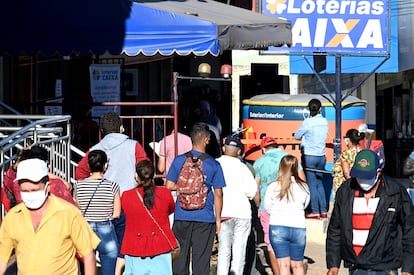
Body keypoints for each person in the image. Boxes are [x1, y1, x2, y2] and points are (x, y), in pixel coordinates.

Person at [75, 111, 148, 274]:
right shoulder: (133, 146)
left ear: (102, 130)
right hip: (129, 201)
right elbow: (145, 169)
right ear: (121, 128)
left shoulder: (95, 149)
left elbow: (79, 173)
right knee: (125, 245)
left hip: (101, 206)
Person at [0, 158, 100, 275]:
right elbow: (2, 259)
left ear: (47, 186)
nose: (30, 195)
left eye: (34, 190)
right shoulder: (13, 217)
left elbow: (88, 256)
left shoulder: (69, 214)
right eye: (25, 191)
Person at [326, 149, 414, 275]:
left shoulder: (395, 193)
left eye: (366, 177)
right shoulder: (345, 191)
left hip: (385, 267)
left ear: (378, 172)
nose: (362, 180)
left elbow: (409, 230)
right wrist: (333, 264)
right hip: (356, 266)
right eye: (359, 176)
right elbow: (335, 229)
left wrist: (408, 267)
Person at [165, 122, 225, 275]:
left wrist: (185, 186)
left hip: (181, 216)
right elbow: (218, 194)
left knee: (179, 259)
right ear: (207, 139)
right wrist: (218, 219)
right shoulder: (213, 164)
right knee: (201, 261)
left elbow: (168, 185)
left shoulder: (179, 161)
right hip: (205, 219)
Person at [253, 136, 305, 275]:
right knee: (297, 263)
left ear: (263, 149)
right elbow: (303, 180)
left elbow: (256, 188)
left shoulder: (259, 162)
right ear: (277, 147)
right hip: (295, 214)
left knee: (270, 244)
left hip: (269, 209)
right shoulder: (290, 158)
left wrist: (258, 206)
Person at [121, 160, 176, 275]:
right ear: (153, 175)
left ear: (136, 176)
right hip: (161, 245)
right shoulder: (165, 193)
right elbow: (170, 210)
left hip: (134, 246)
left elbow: (125, 212)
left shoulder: (127, 196)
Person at [74, 150, 121, 275]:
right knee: (109, 270)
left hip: (86, 229)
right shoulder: (113, 186)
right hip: (106, 228)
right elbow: (116, 213)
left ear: (89, 166)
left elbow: (78, 209)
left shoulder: (79, 185)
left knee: (88, 268)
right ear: (105, 165)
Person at [216, 135, 257, 275]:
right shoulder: (243, 168)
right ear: (239, 152)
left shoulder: (215, 164)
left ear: (223, 148)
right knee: (239, 253)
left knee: (223, 251)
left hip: (222, 213)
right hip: (242, 214)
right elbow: (252, 192)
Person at [264, 155, 310, 275]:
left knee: (283, 265)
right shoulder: (304, 187)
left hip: (278, 225)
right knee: (298, 265)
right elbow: (305, 205)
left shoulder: (272, 186)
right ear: (296, 168)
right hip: (298, 226)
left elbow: (267, 207)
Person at [2, 145, 75, 211]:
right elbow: (68, 187)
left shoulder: (17, 183)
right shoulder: (56, 184)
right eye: (25, 191)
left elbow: (8, 181)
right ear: (46, 162)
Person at [294, 98, 328, 219]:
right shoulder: (324, 121)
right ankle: (324, 210)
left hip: (310, 156)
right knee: (320, 183)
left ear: (309, 109)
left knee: (312, 184)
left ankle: (315, 211)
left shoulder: (307, 122)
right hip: (321, 156)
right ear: (320, 109)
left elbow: (297, 136)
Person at [332, 129, 365, 198]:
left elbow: (347, 173)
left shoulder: (346, 153)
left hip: (345, 186)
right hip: (359, 184)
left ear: (349, 140)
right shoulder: (362, 152)